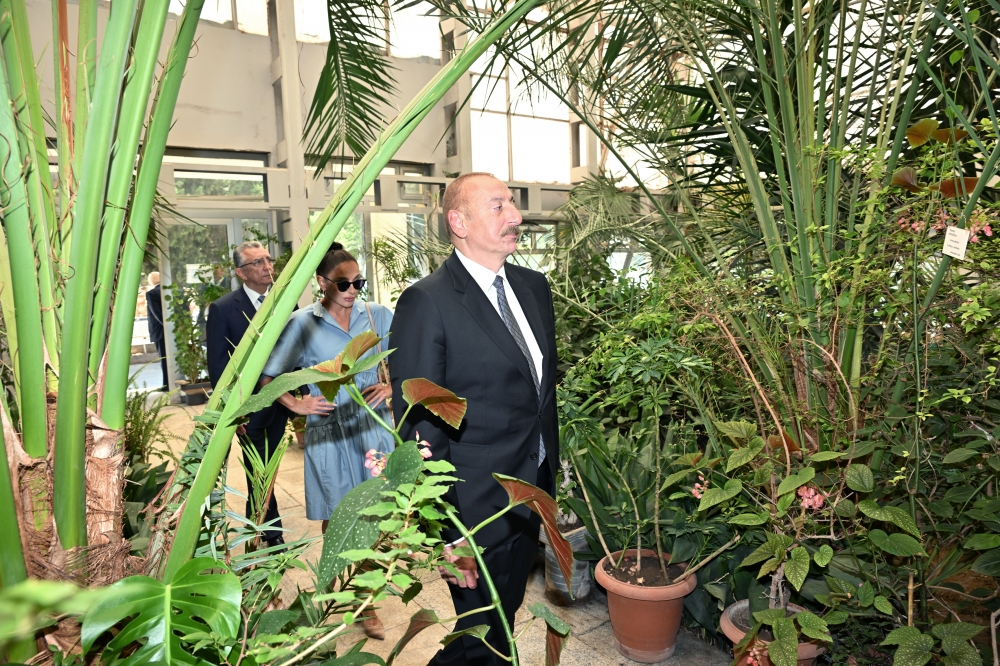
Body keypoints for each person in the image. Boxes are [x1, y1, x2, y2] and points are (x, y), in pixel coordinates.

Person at [388, 173, 558, 666]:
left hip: (531, 491)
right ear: (458, 222)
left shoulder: (533, 287)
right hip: (474, 504)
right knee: (483, 633)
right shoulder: (428, 301)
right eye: (499, 206)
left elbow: (539, 392)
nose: (516, 216)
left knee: (500, 617)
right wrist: (449, 530)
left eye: (513, 204)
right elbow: (419, 422)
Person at [260, 242, 393, 639]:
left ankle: (367, 599)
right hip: (329, 431)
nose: (352, 290)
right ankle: (342, 583)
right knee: (336, 514)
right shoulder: (303, 323)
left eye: (358, 282)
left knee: (374, 515)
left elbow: (414, 358)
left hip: (372, 427)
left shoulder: (377, 315)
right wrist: (296, 404)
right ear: (321, 282)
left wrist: (391, 387)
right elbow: (269, 377)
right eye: (343, 283)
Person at [206, 241, 289, 549]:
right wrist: (232, 411)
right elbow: (218, 364)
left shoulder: (286, 300)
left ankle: (260, 523)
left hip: (283, 400)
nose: (267, 267)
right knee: (259, 468)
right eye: (258, 263)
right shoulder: (224, 308)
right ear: (241, 273)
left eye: (268, 259)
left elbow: (297, 350)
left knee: (269, 465)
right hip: (249, 406)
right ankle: (269, 530)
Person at [145, 272, 168, 391]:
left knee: (164, 358)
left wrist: (166, 326)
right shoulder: (170, 291)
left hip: (160, 331)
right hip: (172, 330)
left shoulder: (151, 294)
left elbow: (156, 313)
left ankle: (166, 384)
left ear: (151, 281)